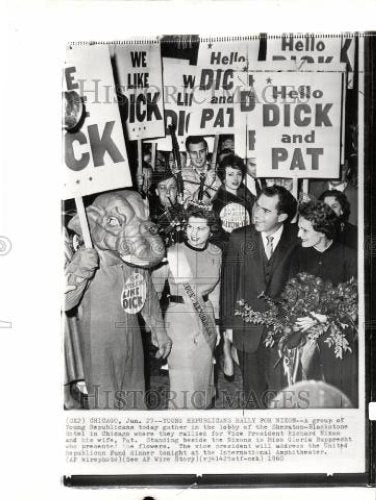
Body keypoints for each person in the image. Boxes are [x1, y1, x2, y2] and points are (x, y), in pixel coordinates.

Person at [221, 185, 298, 408]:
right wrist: (228, 330)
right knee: (253, 395)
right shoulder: (239, 238)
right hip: (247, 332)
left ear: (282, 216)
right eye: (256, 205)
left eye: (266, 210)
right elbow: (229, 285)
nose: (256, 213)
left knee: (282, 393)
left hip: (283, 333)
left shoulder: (297, 238)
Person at [152, 206, 222, 409]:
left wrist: (216, 323)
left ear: (211, 230)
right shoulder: (173, 253)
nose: (193, 233)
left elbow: (216, 291)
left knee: (202, 376)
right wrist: (156, 329)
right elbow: (154, 293)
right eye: (190, 227)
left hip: (206, 317)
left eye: (200, 229)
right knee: (183, 381)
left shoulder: (216, 252)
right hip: (179, 318)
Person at [290, 201, 358, 406]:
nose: (299, 235)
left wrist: (325, 319)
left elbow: (355, 303)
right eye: (298, 228)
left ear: (322, 231)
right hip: (303, 336)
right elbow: (289, 294)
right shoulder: (297, 253)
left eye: (304, 230)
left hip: (337, 341)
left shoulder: (349, 256)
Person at [212, 154, 255, 238]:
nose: (235, 179)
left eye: (238, 174)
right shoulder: (218, 200)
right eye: (230, 174)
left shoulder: (246, 193)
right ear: (223, 177)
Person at [149, 169, 184, 247]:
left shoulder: (186, 212)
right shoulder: (150, 214)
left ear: (177, 191)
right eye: (162, 188)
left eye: (172, 187)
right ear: (157, 192)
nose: (167, 193)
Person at [182, 136, 221, 204]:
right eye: (194, 153)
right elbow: (185, 206)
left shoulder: (219, 172)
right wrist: (205, 184)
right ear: (188, 153)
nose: (198, 157)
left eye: (201, 151)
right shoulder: (182, 176)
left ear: (207, 151)